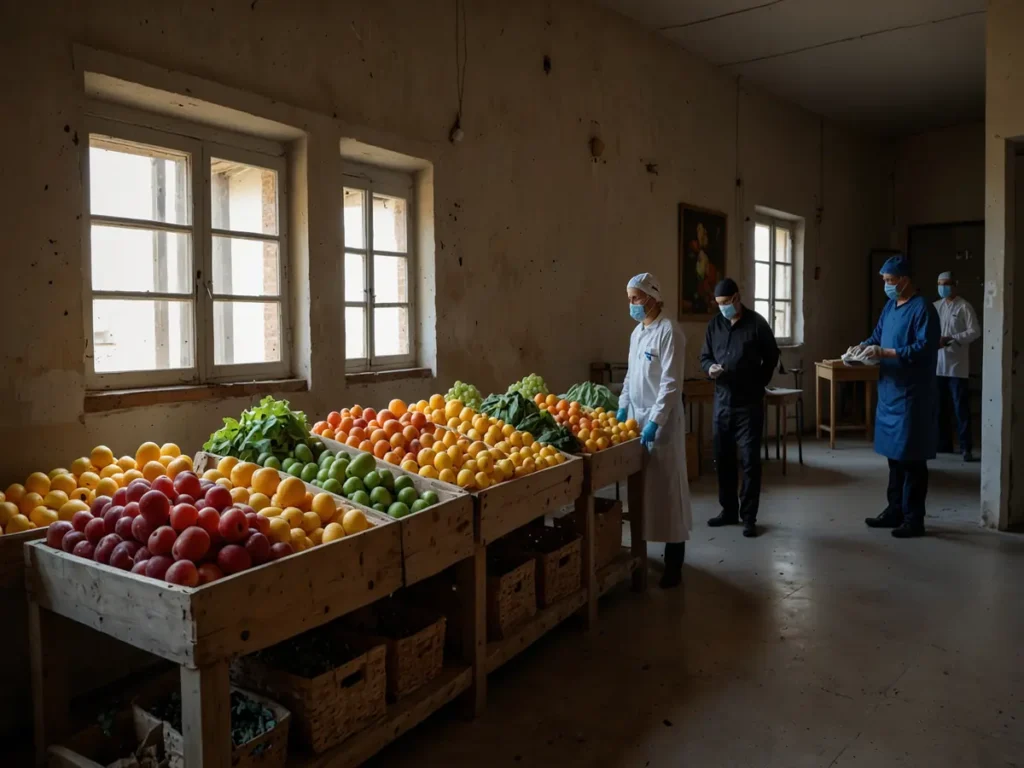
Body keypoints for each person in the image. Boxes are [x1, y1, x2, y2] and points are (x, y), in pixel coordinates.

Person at [855, 255, 940, 538]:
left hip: (912, 396)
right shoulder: (891, 307)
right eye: (885, 282)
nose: (887, 286)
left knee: (911, 459)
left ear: (904, 280)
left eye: (890, 281)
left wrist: (888, 353)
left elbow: (924, 349)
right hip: (890, 393)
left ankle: (914, 519)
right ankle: (895, 510)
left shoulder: (923, 309)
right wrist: (860, 348)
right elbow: (877, 336)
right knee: (894, 457)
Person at [617, 272, 692, 588]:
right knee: (644, 494)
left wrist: (654, 424)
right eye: (630, 298)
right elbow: (630, 376)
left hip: (662, 425)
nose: (632, 304)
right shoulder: (637, 333)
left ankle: (674, 562)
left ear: (651, 296)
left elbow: (671, 385)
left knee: (668, 494)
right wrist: (622, 406)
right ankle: (643, 551)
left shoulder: (669, 333)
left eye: (636, 298)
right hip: (637, 421)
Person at [700, 278, 779, 538]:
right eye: (719, 304)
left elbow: (772, 356)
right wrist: (709, 368)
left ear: (737, 298)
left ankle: (749, 517)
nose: (723, 308)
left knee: (749, 461)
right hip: (722, 402)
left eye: (726, 303)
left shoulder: (757, 324)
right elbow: (705, 357)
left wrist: (759, 383)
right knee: (722, 459)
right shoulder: (715, 325)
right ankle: (728, 511)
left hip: (749, 404)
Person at [934, 271, 980, 461]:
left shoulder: (964, 307)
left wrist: (953, 338)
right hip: (938, 366)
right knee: (939, 408)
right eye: (940, 284)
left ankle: (965, 447)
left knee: (960, 408)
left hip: (956, 367)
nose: (943, 287)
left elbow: (975, 331)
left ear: (954, 285)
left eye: (946, 284)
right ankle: (943, 444)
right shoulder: (936, 306)